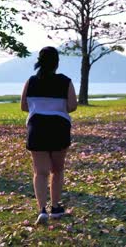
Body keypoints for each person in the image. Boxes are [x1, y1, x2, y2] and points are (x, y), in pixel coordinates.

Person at [21, 46, 78, 224]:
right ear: (57, 63)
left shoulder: (31, 81)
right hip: (59, 128)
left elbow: (24, 106)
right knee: (57, 170)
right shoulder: (65, 81)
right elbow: (72, 106)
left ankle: (41, 210)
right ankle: (55, 207)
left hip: (37, 128)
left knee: (40, 172)